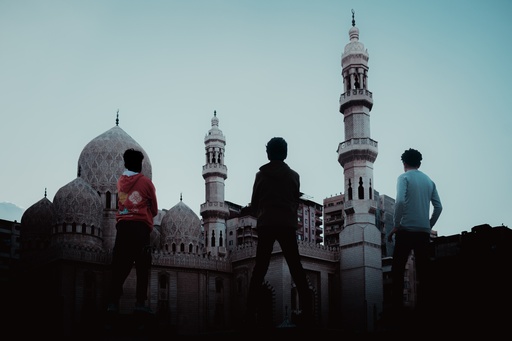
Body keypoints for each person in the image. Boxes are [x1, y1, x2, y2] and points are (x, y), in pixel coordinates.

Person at [245, 137, 313, 328]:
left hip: (266, 224)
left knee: (260, 269)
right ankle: (308, 314)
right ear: (285, 153)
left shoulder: (261, 176)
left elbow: (254, 204)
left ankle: (249, 315)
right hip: (287, 225)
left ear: (268, 153)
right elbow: (294, 200)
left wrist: (263, 211)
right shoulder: (294, 176)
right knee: (296, 267)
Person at [387, 148, 442, 323]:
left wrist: (396, 225)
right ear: (419, 163)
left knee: (397, 271)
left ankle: (397, 313)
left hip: (405, 231)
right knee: (425, 273)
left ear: (404, 163)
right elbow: (439, 207)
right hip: (423, 233)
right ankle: (426, 312)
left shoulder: (403, 178)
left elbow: (401, 201)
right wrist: (429, 224)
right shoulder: (429, 181)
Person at [107, 148, 158, 315]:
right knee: (143, 266)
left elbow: (123, 202)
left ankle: (113, 303)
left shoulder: (120, 181)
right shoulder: (146, 183)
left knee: (120, 266)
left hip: (123, 227)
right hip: (140, 228)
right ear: (140, 165)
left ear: (125, 163)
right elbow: (155, 209)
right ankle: (140, 303)